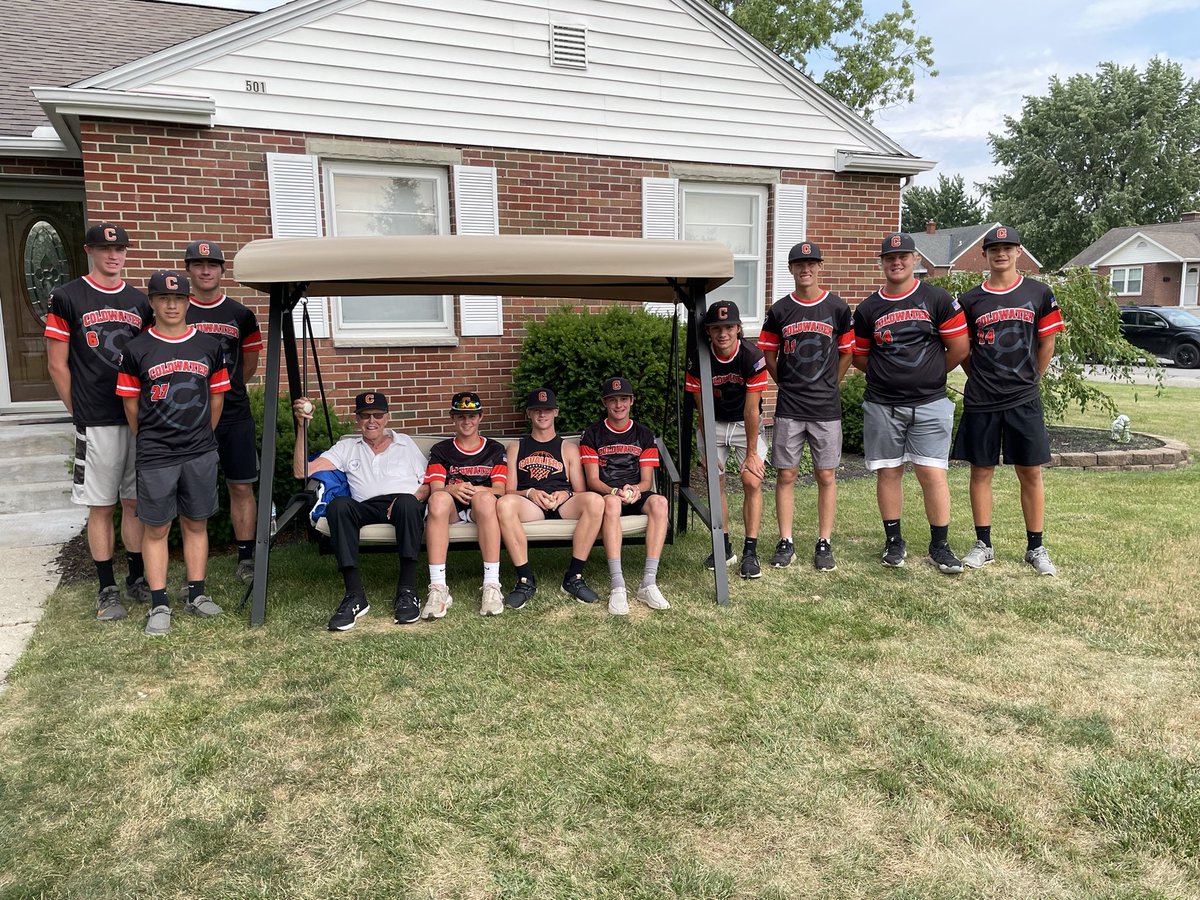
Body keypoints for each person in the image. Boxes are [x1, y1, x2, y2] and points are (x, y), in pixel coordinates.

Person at [44, 222, 153, 621]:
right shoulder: (68, 296)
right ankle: (106, 587)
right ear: (90, 250)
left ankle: (137, 577)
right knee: (101, 506)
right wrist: (80, 412)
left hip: (137, 417)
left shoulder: (140, 301)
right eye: (105, 249)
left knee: (135, 503)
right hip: (97, 418)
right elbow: (57, 365)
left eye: (121, 249)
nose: (113, 255)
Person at [116, 271, 229, 635]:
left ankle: (196, 594)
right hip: (156, 453)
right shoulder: (136, 349)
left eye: (178, 298)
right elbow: (131, 406)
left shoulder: (208, 345)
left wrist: (201, 436)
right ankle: (159, 602)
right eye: (163, 299)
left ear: (187, 301)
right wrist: (152, 437)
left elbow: (216, 398)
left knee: (196, 522)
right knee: (157, 527)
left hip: (199, 451)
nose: (171, 304)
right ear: (151, 302)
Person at [852, 232, 970, 573]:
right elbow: (860, 357)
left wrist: (929, 373)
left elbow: (959, 349)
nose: (897, 262)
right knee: (888, 472)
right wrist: (889, 375)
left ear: (915, 259)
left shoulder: (937, 299)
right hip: (882, 404)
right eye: (890, 257)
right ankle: (894, 542)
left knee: (932, 473)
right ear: (882, 263)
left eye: (903, 256)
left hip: (930, 402)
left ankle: (940, 545)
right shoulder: (868, 308)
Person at [951, 225, 1065, 576]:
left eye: (1008, 247)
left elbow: (1047, 342)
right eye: (994, 248)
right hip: (982, 398)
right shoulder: (970, 301)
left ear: (1018, 252)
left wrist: (1033, 376)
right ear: (984, 254)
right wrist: (980, 376)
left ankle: (1036, 547)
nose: (1001, 253)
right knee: (980, 469)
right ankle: (983, 544)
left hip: (1023, 397)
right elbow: (963, 350)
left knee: (1029, 471)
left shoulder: (1039, 293)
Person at [293, 390, 429, 631]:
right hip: (364, 506)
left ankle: (407, 591)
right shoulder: (347, 447)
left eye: (377, 415)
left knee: (409, 504)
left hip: (402, 505)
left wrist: (413, 497)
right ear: (357, 420)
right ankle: (354, 595)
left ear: (387, 418)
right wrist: (302, 427)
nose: (371, 421)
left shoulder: (404, 443)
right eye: (365, 416)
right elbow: (302, 471)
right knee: (338, 506)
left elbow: (428, 482)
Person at [757, 242, 854, 571]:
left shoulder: (837, 308)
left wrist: (831, 382)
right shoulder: (780, 310)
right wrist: (782, 379)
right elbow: (769, 352)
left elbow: (848, 352)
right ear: (791, 269)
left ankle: (824, 542)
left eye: (811, 263)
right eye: (799, 264)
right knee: (786, 474)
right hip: (790, 406)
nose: (805, 269)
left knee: (826, 475)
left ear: (820, 267)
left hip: (825, 407)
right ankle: (786, 541)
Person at [183, 239, 263, 585]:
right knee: (185, 487)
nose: (205, 270)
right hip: (185, 414)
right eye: (199, 265)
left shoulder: (240, 314)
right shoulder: (174, 310)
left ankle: (246, 559)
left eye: (212, 265)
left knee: (241, 486)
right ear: (189, 270)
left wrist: (223, 390)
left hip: (233, 413)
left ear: (221, 271)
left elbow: (248, 364)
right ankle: (191, 560)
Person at [497, 388, 604, 609]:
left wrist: (565, 494)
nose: (542, 414)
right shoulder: (517, 447)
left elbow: (582, 491)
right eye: (536, 410)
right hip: (530, 503)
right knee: (504, 504)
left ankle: (574, 577)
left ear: (556, 412)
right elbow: (508, 491)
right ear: (529, 413)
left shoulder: (568, 448)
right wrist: (530, 493)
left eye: (547, 410)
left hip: (563, 501)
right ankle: (525, 580)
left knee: (595, 501)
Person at [686, 300, 768, 577]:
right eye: (717, 328)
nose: (723, 333)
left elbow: (751, 409)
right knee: (714, 480)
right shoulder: (699, 358)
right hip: (714, 423)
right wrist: (708, 448)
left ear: (738, 328)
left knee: (751, 479)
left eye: (729, 327)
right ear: (708, 331)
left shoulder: (751, 355)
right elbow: (701, 409)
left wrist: (752, 453)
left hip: (746, 423)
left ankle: (750, 551)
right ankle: (723, 546)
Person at [580, 377, 670, 615]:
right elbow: (592, 480)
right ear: (604, 403)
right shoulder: (592, 434)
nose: (618, 404)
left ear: (631, 401)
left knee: (660, 502)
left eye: (623, 399)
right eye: (612, 400)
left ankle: (648, 582)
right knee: (610, 503)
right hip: (607, 493)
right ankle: (618, 585)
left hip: (634, 492)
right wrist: (614, 491)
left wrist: (637, 489)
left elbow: (646, 480)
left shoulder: (643, 433)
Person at [422, 392, 508, 618]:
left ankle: (491, 584)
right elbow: (435, 489)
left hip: (483, 507)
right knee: (438, 499)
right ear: (452, 418)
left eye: (471, 415)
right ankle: (438, 588)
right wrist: (451, 489)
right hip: (452, 508)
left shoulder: (495, 449)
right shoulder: (441, 450)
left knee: (486, 497)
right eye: (461, 416)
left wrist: (475, 489)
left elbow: (500, 490)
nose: (467, 421)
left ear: (480, 417)